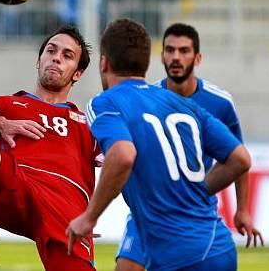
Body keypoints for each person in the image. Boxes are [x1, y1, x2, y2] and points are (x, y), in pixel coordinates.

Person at [67, 19, 252, 271]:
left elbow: (122, 155)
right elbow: (240, 159)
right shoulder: (185, 104)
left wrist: (90, 217)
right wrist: (192, 192)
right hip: (217, 245)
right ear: (149, 62)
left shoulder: (104, 103)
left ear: (104, 62)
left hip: (176, 253)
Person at [0, 25, 99, 271]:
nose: (56, 57)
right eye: (51, 51)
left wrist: (92, 215)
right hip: (14, 185)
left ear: (78, 73)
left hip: (63, 208)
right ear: (38, 60)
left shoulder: (88, 124)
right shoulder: (5, 106)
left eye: (67, 55)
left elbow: (123, 161)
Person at [114, 23, 264, 271]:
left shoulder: (220, 103)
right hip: (151, 209)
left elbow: (238, 157)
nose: (176, 57)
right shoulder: (146, 98)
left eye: (184, 51)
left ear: (198, 57)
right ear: (161, 56)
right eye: (170, 50)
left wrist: (243, 210)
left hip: (193, 211)